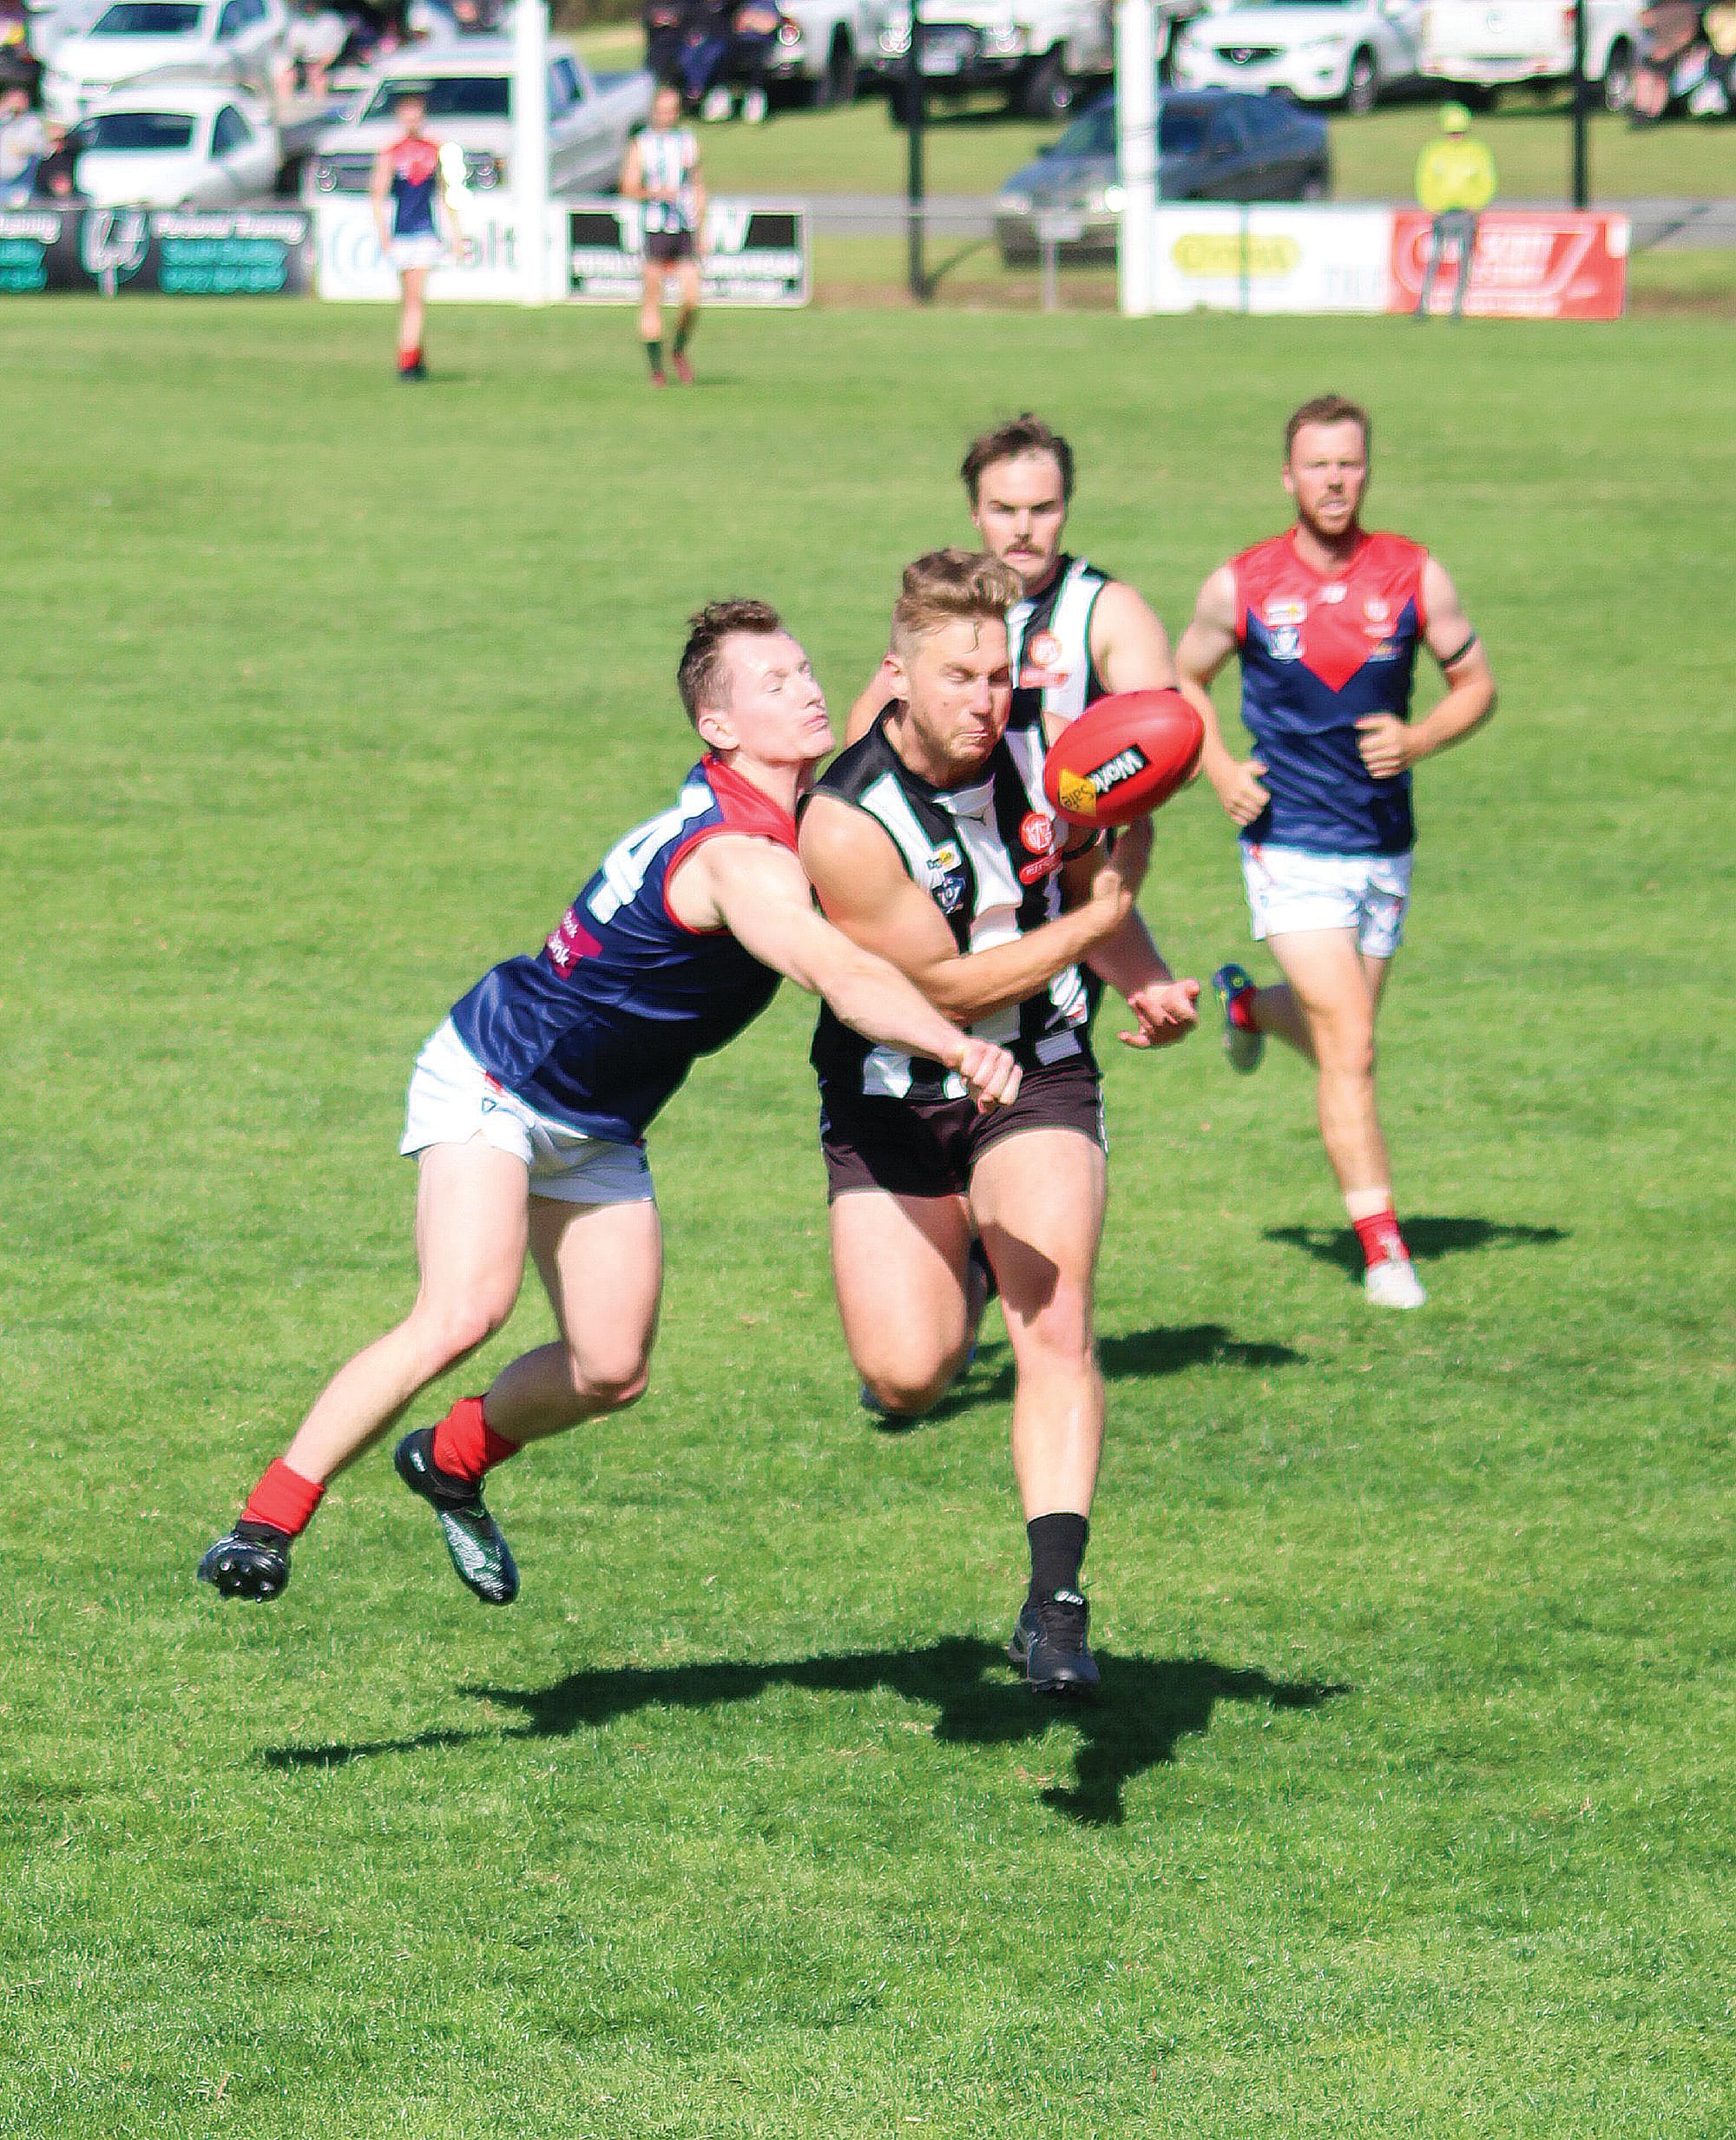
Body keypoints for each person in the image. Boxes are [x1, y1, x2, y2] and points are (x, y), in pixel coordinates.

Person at [198, 601, 1019, 1609]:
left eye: (806, 669)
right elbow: (837, 972)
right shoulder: (738, 859)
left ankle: (449, 1458)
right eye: (773, 684)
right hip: (496, 1079)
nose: (806, 690)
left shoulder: (784, 803)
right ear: (717, 726)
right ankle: (264, 1524)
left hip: (597, 1125)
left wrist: (919, 674)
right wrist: (953, 1042)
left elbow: (857, 753)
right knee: (463, 1309)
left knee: (611, 1368)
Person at [799, 550, 1200, 1696]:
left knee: (1056, 1324)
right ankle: (969, 1242)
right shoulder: (846, 818)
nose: (986, 702)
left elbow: (1078, 887)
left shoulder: (1047, 755)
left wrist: (1142, 974)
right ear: (898, 673)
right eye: (958, 678)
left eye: (999, 675)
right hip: (892, 1096)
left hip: (1037, 1072)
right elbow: (944, 986)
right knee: (909, 1373)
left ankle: (1054, 1603)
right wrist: (1097, 925)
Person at [1174, 394, 1497, 1310]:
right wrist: (1217, 765)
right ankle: (1383, 1249)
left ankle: (1246, 1008)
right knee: (1351, 1045)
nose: (1333, 480)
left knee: (1338, 1036)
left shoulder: (1412, 573)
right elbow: (1181, 678)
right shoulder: (1240, 584)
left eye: (1348, 463)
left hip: (1382, 846)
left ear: (1366, 471)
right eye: (1316, 464)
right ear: (1288, 476)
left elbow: (1475, 683)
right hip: (1287, 844)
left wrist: (1420, 737)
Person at [848, 412, 1177, 749]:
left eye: (1042, 509)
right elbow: (868, 720)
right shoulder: (948, 602)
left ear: (1065, 509)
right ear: (975, 511)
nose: (1023, 529)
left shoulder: (1109, 610)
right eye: (1004, 510)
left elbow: (1168, 740)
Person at [621, 82, 705, 386]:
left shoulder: (687, 141)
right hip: (655, 229)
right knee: (653, 298)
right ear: (654, 112)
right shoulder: (642, 144)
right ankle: (657, 370)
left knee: (692, 300)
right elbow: (628, 187)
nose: (667, 116)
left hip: (683, 229)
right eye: (662, 111)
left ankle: (678, 349)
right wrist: (655, 193)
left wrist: (702, 227)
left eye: (672, 111)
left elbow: (698, 185)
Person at [370, 88, 454, 383]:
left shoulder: (435, 149)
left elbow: (446, 192)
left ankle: (407, 361)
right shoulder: (391, 152)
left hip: (425, 233)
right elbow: (378, 195)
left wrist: (456, 234)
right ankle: (416, 358)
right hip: (401, 234)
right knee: (409, 299)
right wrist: (383, 234)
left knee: (415, 297)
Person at [1412, 104, 1496, 321]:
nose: (1456, 137)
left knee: (1464, 261)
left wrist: (1476, 205)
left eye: (1459, 132)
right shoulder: (1433, 151)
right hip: (1441, 214)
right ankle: (1423, 306)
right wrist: (1431, 205)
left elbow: (1487, 180)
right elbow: (1424, 180)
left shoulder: (1477, 151)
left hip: (1466, 214)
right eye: (1452, 133)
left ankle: (1457, 308)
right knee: (1434, 260)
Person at [0, 80, 47, 205]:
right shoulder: (4, 118)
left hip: (19, 178)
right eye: (14, 99)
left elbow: (41, 146)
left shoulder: (32, 121)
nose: (18, 103)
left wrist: (27, 148)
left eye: (21, 100)